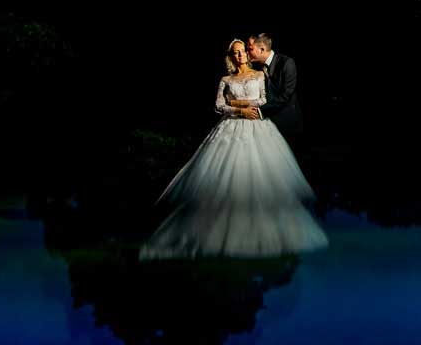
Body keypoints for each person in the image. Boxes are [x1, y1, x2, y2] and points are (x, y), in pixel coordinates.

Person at [139, 39, 327, 259]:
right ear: (231, 56)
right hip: (231, 126)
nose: (240, 56)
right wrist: (240, 110)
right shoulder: (225, 79)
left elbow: (263, 99)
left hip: (258, 127)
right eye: (236, 53)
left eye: (243, 52)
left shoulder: (259, 76)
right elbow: (219, 105)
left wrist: (244, 105)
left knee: (260, 176)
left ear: (247, 55)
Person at [245, 33, 303, 144]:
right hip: (265, 124)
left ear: (262, 49)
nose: (247, 52)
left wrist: (260, 111)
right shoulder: (254, 67)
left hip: (286, 123)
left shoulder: (286, 63)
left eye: (250, 49)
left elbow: (285, 95)